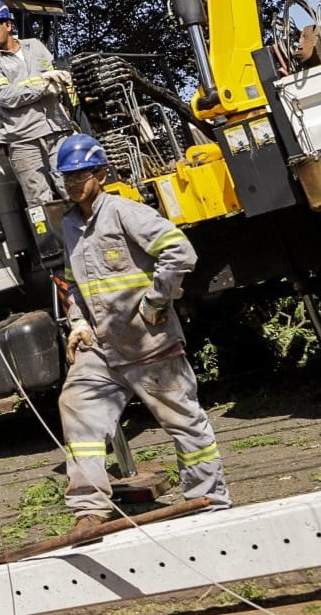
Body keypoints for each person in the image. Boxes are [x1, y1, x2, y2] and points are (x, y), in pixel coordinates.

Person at [54, 134, 231, 535]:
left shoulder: (123, 212)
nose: (72, 183)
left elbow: (179, 250)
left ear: (100, 173)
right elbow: (73, 282)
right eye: (66, 177)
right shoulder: (69, 224)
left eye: (80, 175)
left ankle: (210, 498)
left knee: (184, 421)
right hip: (102, 346)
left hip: (149, 342)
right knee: (77, 409)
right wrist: (78, 322)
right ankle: (89, 508)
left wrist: (157, 300)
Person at [0, 0, 76, 208]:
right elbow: (5, 95)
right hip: (23, 140)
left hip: (57, 130)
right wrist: (44, 86)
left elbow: (52, 74)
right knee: (39, 201)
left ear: (8, 25)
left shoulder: (36, 47)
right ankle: (53, 241)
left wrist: (57, 81)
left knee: (73, 186)